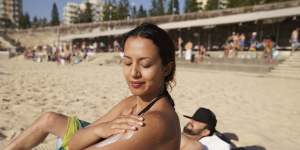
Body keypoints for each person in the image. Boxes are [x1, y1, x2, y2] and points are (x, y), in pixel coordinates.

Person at [5, 23, 181, 150]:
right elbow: (73, 142)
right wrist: (100, 129)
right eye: (127, 63)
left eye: (145, 64)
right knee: (49, 119)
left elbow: (75, 145)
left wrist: (96, 132)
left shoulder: (155, 122)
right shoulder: (133, 102)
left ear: (166, 68)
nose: (134, 73)